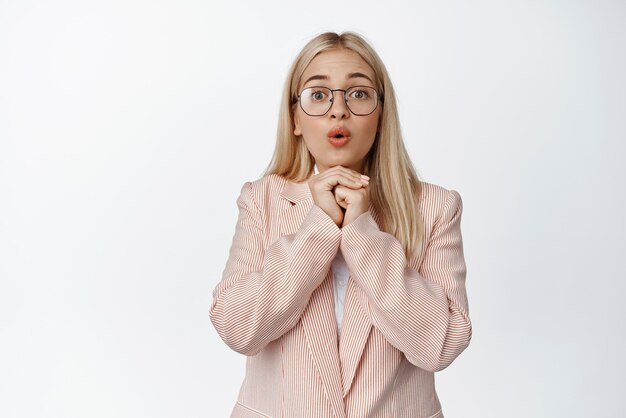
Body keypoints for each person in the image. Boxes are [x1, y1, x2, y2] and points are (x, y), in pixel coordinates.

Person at [210, 31, 471, 418]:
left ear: (381, 116)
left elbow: (442, 343)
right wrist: (319, 228)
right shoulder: (262, 200)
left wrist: (362, 234)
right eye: (318, 95)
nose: (338, 111)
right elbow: (237, 327)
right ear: (295, 118)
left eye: (358, 94)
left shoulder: (435, 206)